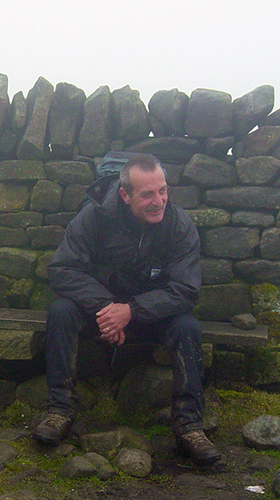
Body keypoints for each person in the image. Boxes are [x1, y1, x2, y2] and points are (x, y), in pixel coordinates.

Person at [32, 152, 221, 465]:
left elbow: (186, 291)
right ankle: (59, 411)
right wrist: (108, 308)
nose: (158, 201)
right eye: (147, 194)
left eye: (162, 191)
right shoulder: (94, 217)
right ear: (124, 194)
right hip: (101, 311)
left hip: (150, 315)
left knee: (188, 326)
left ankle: (189, 427)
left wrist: (131, 310)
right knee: (61, 312)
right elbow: (62, 269)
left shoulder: (178, 224)